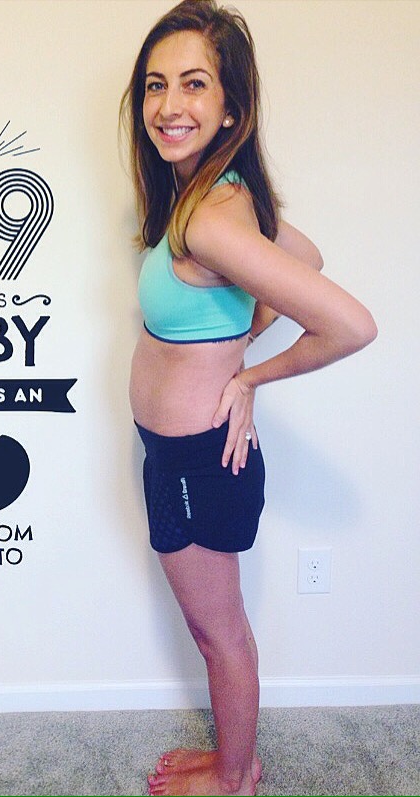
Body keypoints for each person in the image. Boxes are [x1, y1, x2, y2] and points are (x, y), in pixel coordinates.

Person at [120, 1, 377, 794]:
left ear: (231, 105)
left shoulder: (212, 221)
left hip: (198, 459)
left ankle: (234, 777)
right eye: (156, 84)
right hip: (181, 453)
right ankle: (234, 759)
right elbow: (308, 255)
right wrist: (241, 347)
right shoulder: (217, 194)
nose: (169, 105)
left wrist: (250, 375)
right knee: (216, 626)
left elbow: (350, 324)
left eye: (194, 83)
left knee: (218, 632)